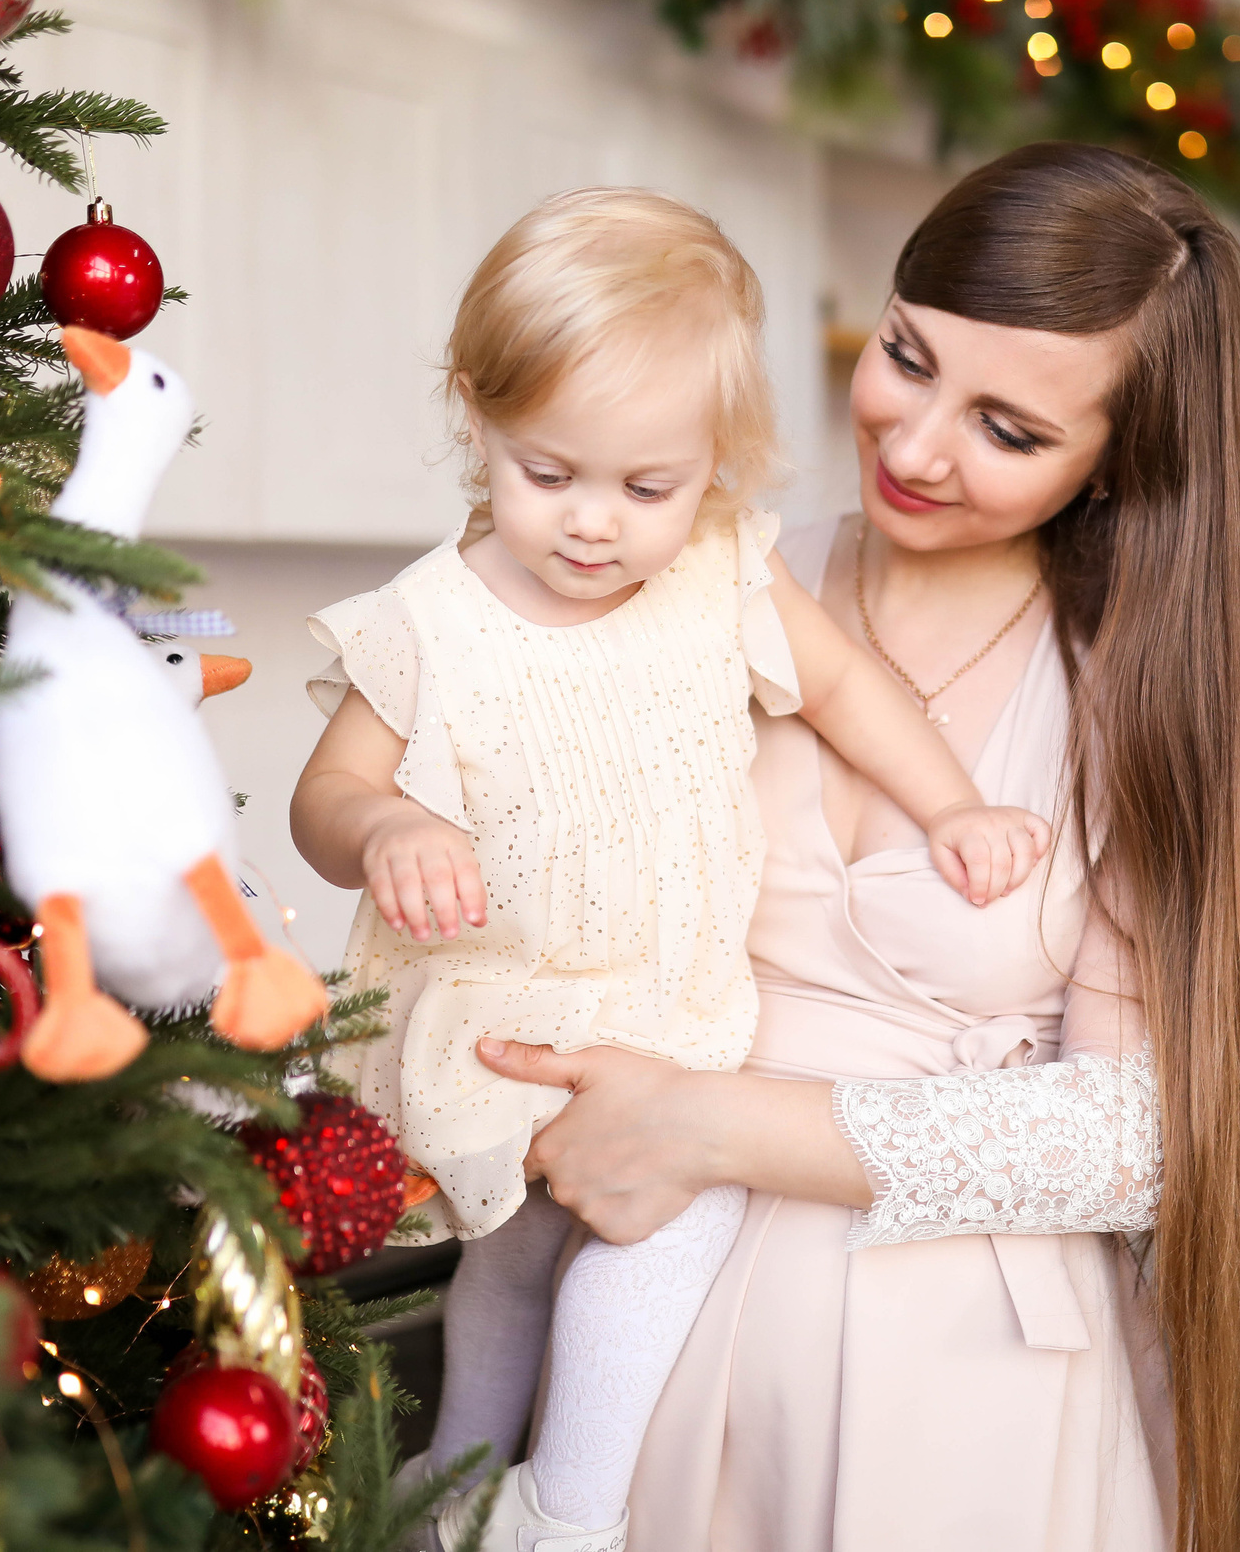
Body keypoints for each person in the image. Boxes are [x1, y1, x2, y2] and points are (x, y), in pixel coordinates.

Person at [471, 143, 1240, 1551]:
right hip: (644, 1341)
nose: (917, 446)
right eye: (907, 356)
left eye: (1011, 430)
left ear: (1121, 462)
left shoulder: (1135, 688)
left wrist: (705, 1122)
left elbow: (1142, 1137)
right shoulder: (701, 575)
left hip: (962, 1402)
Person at [288, 188, 1050, 1551]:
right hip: (505, 1019)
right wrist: (387, 829)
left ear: (718, 462)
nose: (594, 525)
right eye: (547, 473)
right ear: (476, 413)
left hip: (668, 1008)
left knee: (662, 1231)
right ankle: (457, 1494)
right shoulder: (433, 622)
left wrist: (954, 807)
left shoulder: (719, 573)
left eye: (648, 487)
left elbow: (850, 690)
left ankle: (560, 1507)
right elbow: (324, 795)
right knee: (510, 1265)